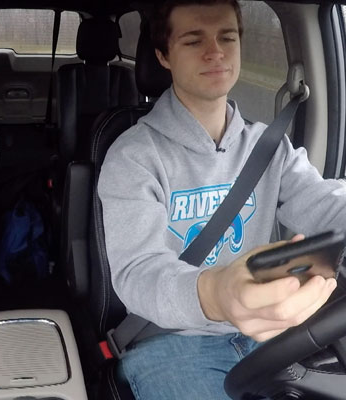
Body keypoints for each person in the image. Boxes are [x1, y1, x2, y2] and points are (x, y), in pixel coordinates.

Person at [98, 0, 345, 398]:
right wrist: (216, 293)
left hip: (268, 335)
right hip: (170, 340)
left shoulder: (268, 146)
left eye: (227, 37)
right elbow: (138, 270)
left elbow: (323, 201)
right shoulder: (133, 155)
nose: (215, 52)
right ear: (163, 55)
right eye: (194, 41)